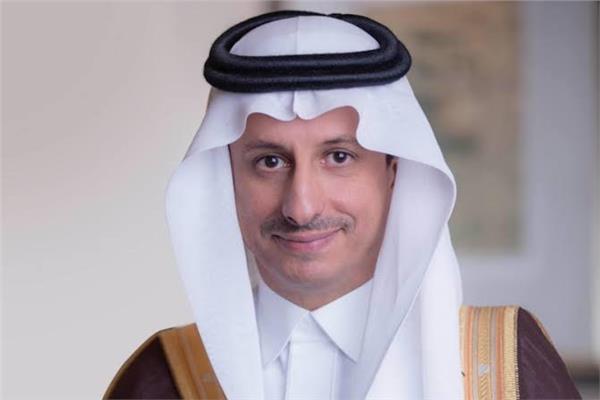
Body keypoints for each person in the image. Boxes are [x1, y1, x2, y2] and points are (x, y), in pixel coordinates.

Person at [103, 10, 581, 400]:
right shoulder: (164, 379)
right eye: (270, 161)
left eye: (339, 157)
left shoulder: (503, 366)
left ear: (394, 171)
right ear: (223, 179)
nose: (302, 207)